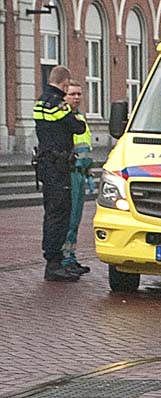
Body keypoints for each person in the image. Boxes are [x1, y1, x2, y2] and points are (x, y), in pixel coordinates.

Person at [33, 66, 86, 282]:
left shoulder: (40, 101)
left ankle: (55, 259)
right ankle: (54, 263)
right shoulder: (58, 103)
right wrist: (76, 117)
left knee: (51, 212)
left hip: (46, 164)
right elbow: (77, 127)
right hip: (58, 166)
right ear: (64, 83)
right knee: (60, 213)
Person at [62, 80, 92, 275]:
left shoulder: (80, 117)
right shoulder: (65, 119)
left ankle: (72, 257)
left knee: (76, 220)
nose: (76, 97)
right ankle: (65, 259)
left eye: (79, 94)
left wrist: (89, 173)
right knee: (69, 219)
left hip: (81, 174)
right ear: (65, 96)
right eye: (72, 94)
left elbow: (85, 148)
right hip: (71, 174)